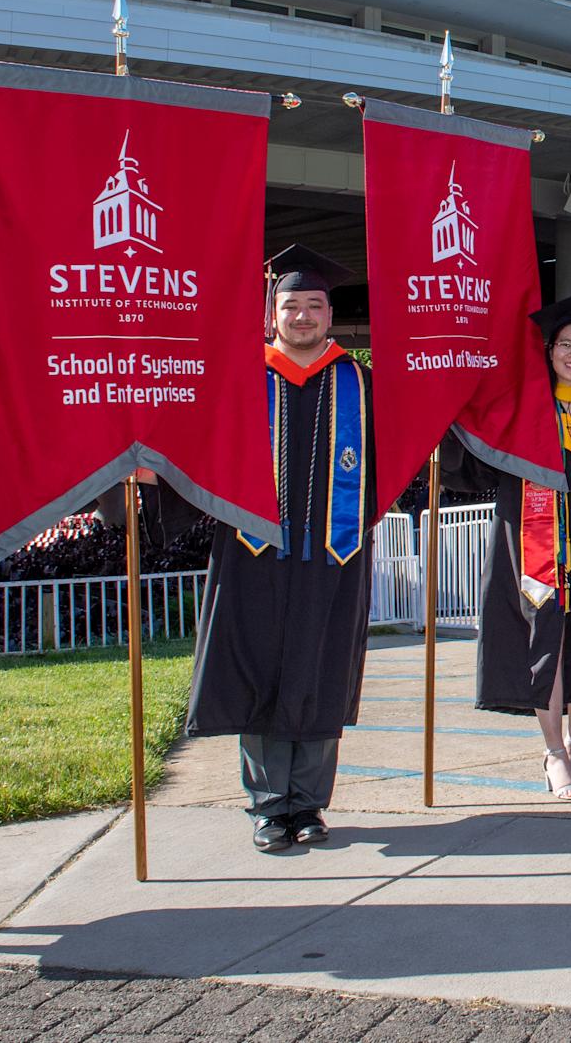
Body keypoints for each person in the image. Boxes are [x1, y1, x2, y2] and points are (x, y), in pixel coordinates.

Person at [106, 246, 387, 852]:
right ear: (272, 313)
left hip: (332, 558)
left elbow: (393, 457)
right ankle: (267, 805)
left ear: (331, 313)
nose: (304, 317)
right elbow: (196, 447)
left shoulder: (360, 382)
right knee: (258, 668)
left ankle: (308, 804)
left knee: (320, 669)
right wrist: (152, 469)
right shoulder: (237, 380)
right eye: (292, 306)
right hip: (251, 555)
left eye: (315, 306)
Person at [473, 293, 571, 800]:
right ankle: (553, 753)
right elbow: (482, 456)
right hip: (533, 548)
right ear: (549, 349)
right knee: (547, 649)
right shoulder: (523, 411)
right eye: (565, 344)